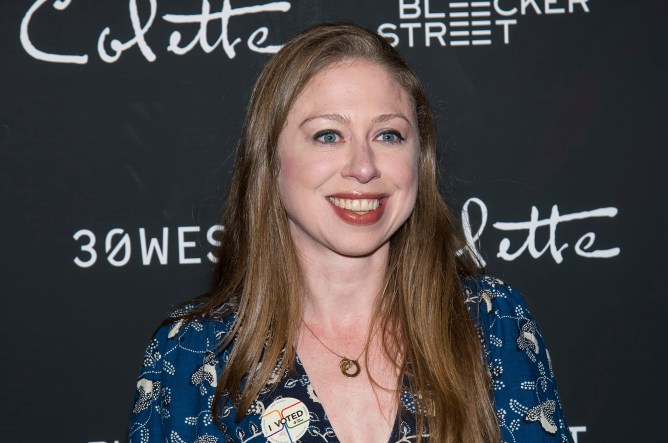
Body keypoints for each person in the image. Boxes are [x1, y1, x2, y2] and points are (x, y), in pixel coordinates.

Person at [128, 23, 572, 443]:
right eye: (328, 135)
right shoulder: (189, 353)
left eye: (389, 135)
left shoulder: (493, 323)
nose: (364, 167)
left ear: (420, 159)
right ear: (271, 163)